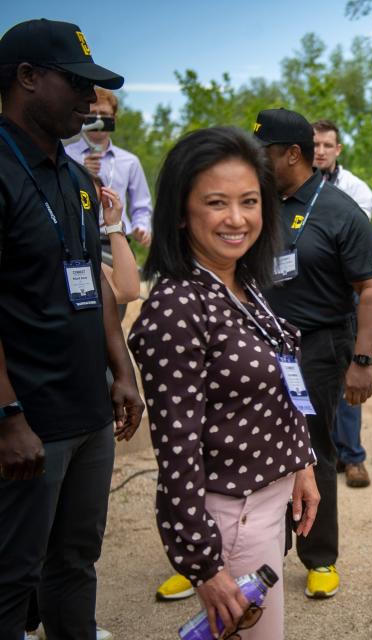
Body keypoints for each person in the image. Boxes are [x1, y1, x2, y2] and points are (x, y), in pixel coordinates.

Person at [128, 126, 320, 640]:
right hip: (231, 520)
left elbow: (282, 380)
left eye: (249, 201)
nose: (237, 219)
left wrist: (300, 460)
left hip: (268, 501)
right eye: (216, 202)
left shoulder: (242, 283)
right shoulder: (176, 307)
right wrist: (204, 566)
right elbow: (177, 450)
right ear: (180, 212)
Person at [0, 18, 144, 640]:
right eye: (77, 85)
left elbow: (97, 282)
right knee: (12, 575)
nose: (91, 103)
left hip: (88, 413)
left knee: (76, 561)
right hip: (27, 422)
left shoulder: (77, 179)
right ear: (27, 78)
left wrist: (122, 369)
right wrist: (7, 414)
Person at [259, 108, 372, 598]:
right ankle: (258, 552)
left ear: (293, 154)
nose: (256, 162)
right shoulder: (257, 203)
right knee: (251, 445)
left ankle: (319, 557)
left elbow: (371, 291)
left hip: (317, 346)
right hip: (259, 343)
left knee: (311, 449)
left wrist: (362, 361)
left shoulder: (339, 211)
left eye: (264, 152)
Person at [312, 118, 372, 488]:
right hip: (305, 292)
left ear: (337, 150)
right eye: (314, 144)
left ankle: (352, 457)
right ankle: (314, 455)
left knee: (348, 371)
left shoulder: (357, 190)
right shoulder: (285, 187)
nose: (320, 150)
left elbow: (350, 245)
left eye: (326, 145)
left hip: (346, 291)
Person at [65, 87, 153, 246]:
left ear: (114, 119)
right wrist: (81, 175)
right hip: (77, 241)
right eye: (93, 114)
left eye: (104, 115)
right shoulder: (65, 155)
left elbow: (141, 206)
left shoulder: (130, 161)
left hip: (117, 242)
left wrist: (141, 227)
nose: (99, 120)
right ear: (84, 117)